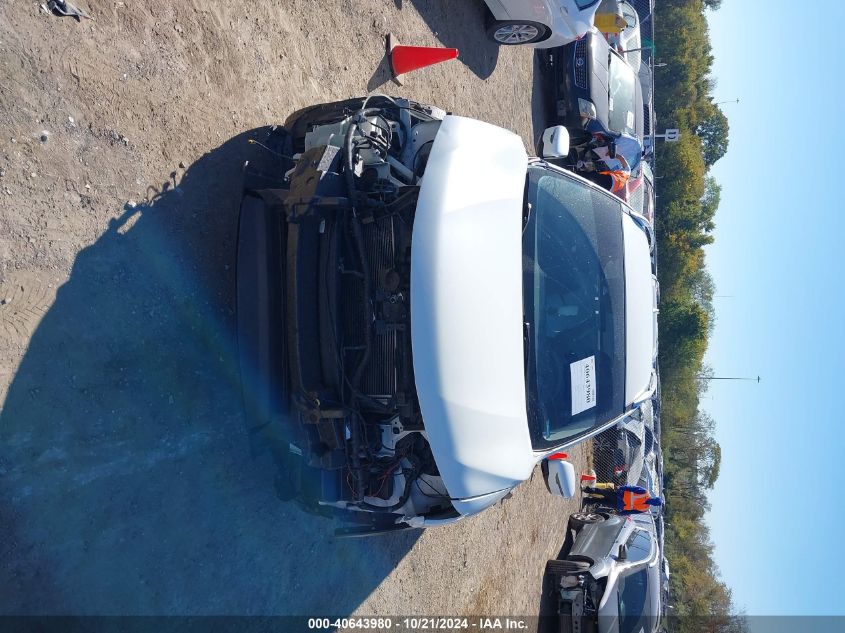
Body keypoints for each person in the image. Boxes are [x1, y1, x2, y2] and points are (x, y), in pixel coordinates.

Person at [582, 482, 663, 515]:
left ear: (654, 505)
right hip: (619, 495)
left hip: (619, 505)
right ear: (654, 498)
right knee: (601, 492)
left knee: (602, 501)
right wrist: (621, 487)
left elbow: (631, 512)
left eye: (655, 503)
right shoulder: (645, 492)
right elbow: (632, 488)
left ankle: (586, 500)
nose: (653, 502)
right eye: (655, 501)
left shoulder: (645, 509)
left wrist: (620, 513)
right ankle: (586, 489)